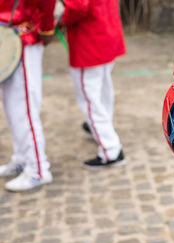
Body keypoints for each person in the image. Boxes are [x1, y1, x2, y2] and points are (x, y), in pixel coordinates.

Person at [59, 0, 126, 169]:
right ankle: (101, 130)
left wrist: (61, 20)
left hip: (88, 38)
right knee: (103, 89)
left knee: (90, 99)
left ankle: (110, 150)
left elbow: (77, 5)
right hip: (106, 29)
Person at [0, 0, 55, 192]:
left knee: (25, 108)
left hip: (22, 36)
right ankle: (22, 158)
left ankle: (38, 169)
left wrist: (47, 29)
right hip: (6, 36)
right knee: (11, 107)